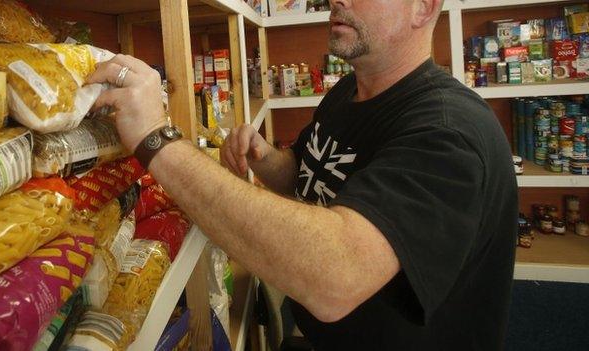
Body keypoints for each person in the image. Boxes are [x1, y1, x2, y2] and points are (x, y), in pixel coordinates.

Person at [87, 0, 518, 349]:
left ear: (422, 8)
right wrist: (264, 158)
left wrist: (155, 140)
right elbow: (310, 177)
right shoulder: (349, 91)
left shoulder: (448, 131)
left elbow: (335, 276)